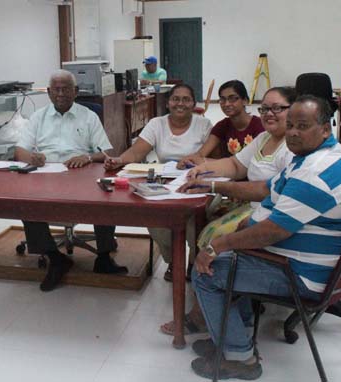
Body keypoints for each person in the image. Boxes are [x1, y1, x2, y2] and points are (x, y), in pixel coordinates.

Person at [188, 95, 341, 380]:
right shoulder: (313, 157)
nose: (292, 131)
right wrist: (214, 187)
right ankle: (235, 337)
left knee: (207, 272)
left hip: (302, 275)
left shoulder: (314, 173)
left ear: (326, 128)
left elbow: (272, 231)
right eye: (290, 124)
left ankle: (240, 358)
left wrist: (216, 245)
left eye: (302, 126)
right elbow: (266, 190)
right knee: (231, 258)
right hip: (298, 262)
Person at [159, 86, 297, 336]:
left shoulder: (292, 145)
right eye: (265, 108)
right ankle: (233, 306)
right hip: (252, 205)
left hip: (273, 215)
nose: (269, 114)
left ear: (294, 111)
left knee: (213, 235)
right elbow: (235, 164)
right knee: (205, 219)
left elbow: (270, 192)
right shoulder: (265, 138)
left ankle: (204, 311)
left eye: (278, 108)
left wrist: (215, 184)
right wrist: (203, 169)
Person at [14, 70, 125, 292]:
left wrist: (87, 157)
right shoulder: (38, 117)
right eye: (56, 89)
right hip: (46, 173)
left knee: (105, 195)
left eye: (66, 89)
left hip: (81, 173)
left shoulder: (88, 116)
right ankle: (55, 257)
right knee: (25, 202)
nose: (61, 93)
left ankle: (103, 257)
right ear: (48, 92)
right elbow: (20, 152)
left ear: (76, 92)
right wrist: (32, 158)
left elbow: (107, 152)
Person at [104, 84, 213, 281]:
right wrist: (119, 160)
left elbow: (210, 156)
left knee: (193, 219)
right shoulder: (157, 124)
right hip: (165, 183)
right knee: (154, 216)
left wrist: (195, 161)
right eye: (176, 99)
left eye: (186, 99)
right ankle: (172, 261)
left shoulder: (203, 125)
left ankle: (191, 262)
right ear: (168, 102)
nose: (180, 103)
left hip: (194, 182)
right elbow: (137, 151)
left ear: (193, 103)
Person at [178, 80, 264, 168]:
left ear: (245, 101)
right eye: (222, 99)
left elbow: (257, 163)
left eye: (232, 98)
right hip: (227, 175)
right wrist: (188, 160)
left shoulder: (260, 126)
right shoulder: (222, 126)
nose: (226, 104)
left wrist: (207, 161)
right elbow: (201, 154)